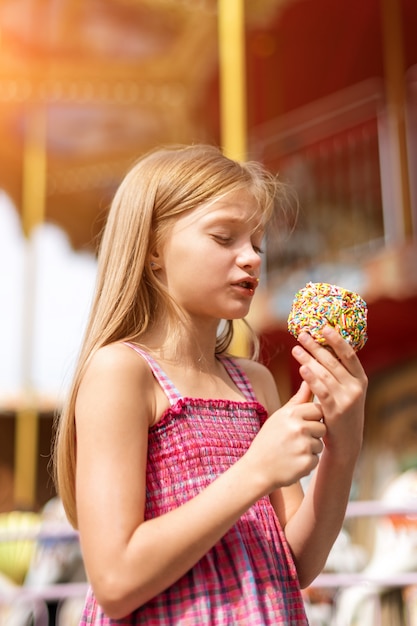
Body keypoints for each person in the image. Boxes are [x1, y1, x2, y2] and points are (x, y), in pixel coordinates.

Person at [53, 144, 367, 625]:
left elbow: (298, 562)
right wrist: (255, 471)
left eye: (258, 244)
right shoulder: (122, 372)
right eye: (224, 237)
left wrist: (344, 447)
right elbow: (114, 580)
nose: (252, 259)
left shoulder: (255, 382)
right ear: (154, 250)